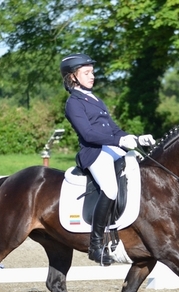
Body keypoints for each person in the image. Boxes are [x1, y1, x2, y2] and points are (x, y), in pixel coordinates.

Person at [60, 53, 155, 266]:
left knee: (140, 166)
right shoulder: (73, 104)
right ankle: (95, 246)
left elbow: (113, 128)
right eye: (87, 73)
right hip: (93, 153)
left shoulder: (95, 99)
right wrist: (120, 141)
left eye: (92, 72)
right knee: (110, 189)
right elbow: (88, 134)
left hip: (110, 148)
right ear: (73, 77)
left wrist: (136, 139)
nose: (92, 76)